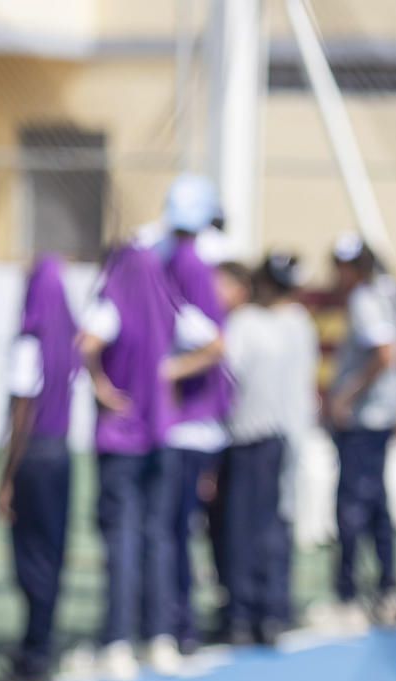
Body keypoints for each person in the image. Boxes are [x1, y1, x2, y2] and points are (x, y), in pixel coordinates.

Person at [78, 242, 221, 681]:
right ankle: (160, 636)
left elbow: (85, 345)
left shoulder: (112, 303)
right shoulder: (170, 303)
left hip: (122, 439)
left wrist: (102, 386)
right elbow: (216, 344)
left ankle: (118, 640)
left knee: (122, 540)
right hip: (162, 434)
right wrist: (170, 372)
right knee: (159, 538)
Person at [218, 254, 316, 644]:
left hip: (253, 435)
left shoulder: (249, 324)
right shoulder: (296, 322)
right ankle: (270, 608)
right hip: (280, 433)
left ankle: (248, 611)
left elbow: (229, 375)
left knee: (247, 527)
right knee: (273, 523)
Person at [0, 255, 81, 681]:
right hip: (61, 453)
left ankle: (35, 649)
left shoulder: (30, 341)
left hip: (34, 456)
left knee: (28, 555)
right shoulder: (66, 339)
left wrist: (5, 476)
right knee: (52, 551)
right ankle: (40, 643)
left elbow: (21, 410)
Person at [157, 174, 233, 653]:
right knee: (183, 529)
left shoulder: (186, 266)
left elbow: (211, 344)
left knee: (174, 530)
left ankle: (178, 622)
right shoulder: (192, 264)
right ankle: (185, 619)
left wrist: (162, 373)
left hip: (188, 425)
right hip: (197, 424)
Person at [322, 232, 396, 630]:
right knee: (376, 501)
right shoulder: (390, 295)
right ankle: (387, 585)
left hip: (364, 417)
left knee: (352, 504)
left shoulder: (364, 300)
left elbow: (385, 354)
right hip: (382, 414)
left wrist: (345, 394)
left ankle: (347, 592)